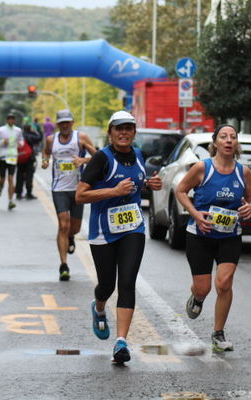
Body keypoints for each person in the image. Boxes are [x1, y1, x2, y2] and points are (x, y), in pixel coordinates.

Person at [76, 110, 162, 364]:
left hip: (132, 227)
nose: (123, 133)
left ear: (134, 132)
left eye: (128, 129)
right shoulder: (101, 159)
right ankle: (99, 306)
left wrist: (148, 184)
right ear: (110, 132)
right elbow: (80, 195)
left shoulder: (138, 155)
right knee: (107, 285)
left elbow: (137, 181)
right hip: (103, 231)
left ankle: (121, 341)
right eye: (118, 129)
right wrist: (112, 191)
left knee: (127, 281)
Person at [176, 124, 251, 352]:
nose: (229, 140)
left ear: (236, 143)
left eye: (233, 137)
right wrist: (195, 214)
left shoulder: (244, 172)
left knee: (224, 283)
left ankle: (218, 333)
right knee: (203, 288)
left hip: (230, 236)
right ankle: (198, 298)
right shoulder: (203, 168)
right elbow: (181, 191)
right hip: (200, 235)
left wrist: (250, 208)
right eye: (224, 137)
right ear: (215, 143)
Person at [41, 109, 96, 281]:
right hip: (59, 189)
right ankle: (63, 265)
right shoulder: (51, 140)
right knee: (63, 225)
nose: (65, 125)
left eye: (67, 122)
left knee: (75, 228)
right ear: (58, 124)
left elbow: (99, 157)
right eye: (62, 123)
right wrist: (45, 161)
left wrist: (83, 160)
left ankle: (71, 237)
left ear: (72, 123)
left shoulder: (81, 138)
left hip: (78, 189)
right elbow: (46, 152)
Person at [0, 114, 24, 210]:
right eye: (9, 119)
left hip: (13, 156)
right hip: (3, 156)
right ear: (6, 120)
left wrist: (20, 144)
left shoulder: (18, 130)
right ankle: (0, 187)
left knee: (11, 178)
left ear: (14, 120)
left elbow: (21, 140)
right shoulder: (0, 130)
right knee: (2, 178)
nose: (11, 121)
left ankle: (11, 201)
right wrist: (3, 142)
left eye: (13, 119)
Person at [15, 124, 42, 200]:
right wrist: (34, 132)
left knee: (19, 175)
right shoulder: (30, 136)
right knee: (29, 176)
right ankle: (29, 193)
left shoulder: (19, 136)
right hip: (29, 158)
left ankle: (18, 193)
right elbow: (39, 138)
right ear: (30, 129)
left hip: (19, 157)